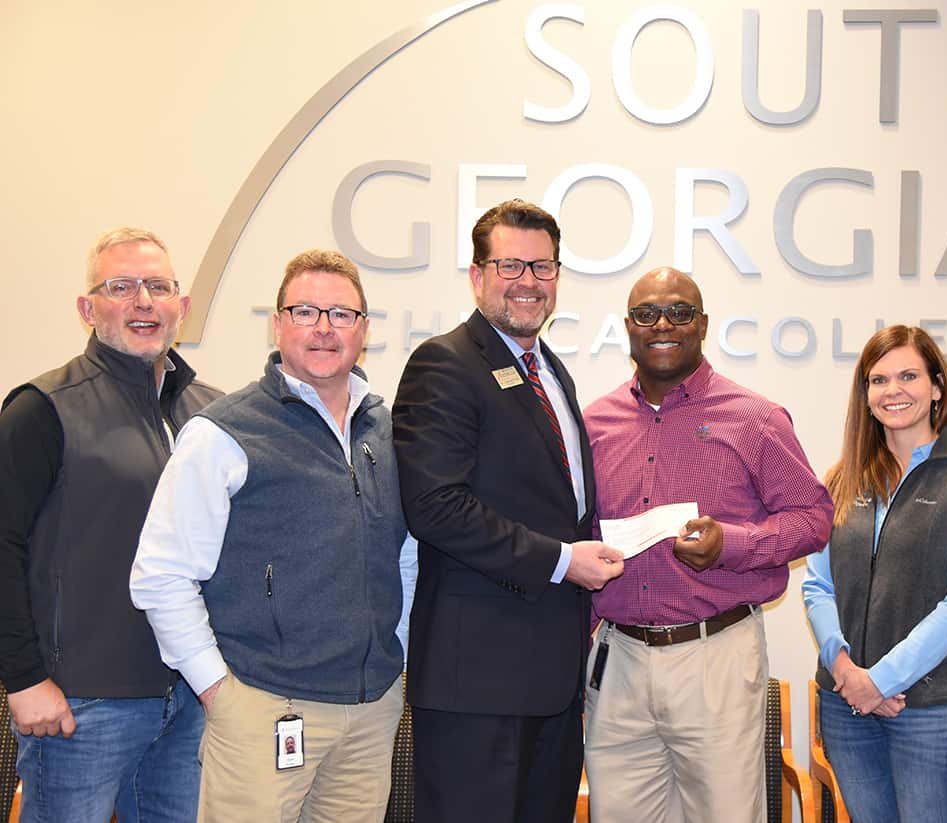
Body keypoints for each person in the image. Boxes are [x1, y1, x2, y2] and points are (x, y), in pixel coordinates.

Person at [130, 249, 415, 823]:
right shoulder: (223, 433)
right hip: (263, 709)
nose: (324, 328)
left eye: (341, 314)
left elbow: (402, 554)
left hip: (371, 711)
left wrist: (398, 655)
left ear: (365, 330)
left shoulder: (386, 428)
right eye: (306, 311)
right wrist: (219, 692)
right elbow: (161, 573)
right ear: (278, 323)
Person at [391, 199, 625, 823]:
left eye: (542, 267)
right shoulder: (444, 364)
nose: (528, 282)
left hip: (552, 676)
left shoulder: (553, 374)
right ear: (477, 276)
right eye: (510, 265)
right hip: (478, 682)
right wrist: (561, 563)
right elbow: (436, 507)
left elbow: (559, 506)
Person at [582, 267, 833, 823]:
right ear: (628, 327)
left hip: (714, 655)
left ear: (703, 325)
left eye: (679, 311)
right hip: (618, 658)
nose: (663, 324)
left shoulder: (756, 418)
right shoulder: (592, 423)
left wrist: (733, 544)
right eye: (647, 314)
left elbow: (814, 518)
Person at [0, 227, 220, 822]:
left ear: (183, 306)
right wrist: (23, 680)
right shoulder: (41, 408)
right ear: (86, 308)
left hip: (192, 700)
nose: (142, 301)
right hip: (81, 705)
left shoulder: (213, 414)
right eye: (120, 287)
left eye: (157, 286)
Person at [802, 324, 947, 823]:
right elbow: (817, 584)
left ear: (937, 386)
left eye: (909, 376)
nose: (893, 391)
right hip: (847, 704)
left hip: (934, 708)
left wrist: (883, 680)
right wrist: (848, 673)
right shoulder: (842, 478)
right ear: (865, 395)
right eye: (879, 380)